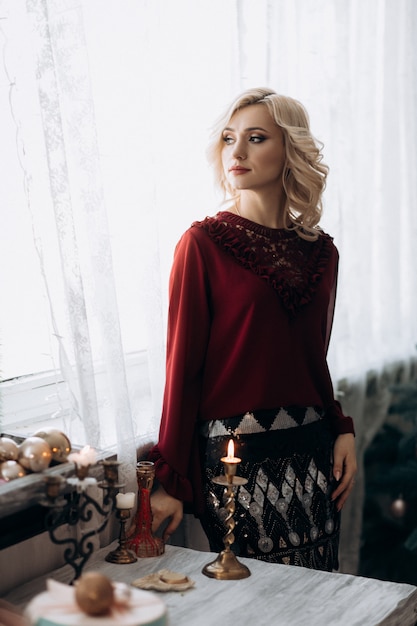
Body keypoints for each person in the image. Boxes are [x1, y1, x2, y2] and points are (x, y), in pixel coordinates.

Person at [148, 87, 357, 571]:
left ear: (290, 151)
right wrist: (169, 481)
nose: (236, 153)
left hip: (314, 453)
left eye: (256, 138)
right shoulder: (200, 245)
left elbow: (310, 360)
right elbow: (182, 372)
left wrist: (339, 426)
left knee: (319, 599)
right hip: (236, 464)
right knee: (259, 605)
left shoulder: (324, 253)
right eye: (228, 139)